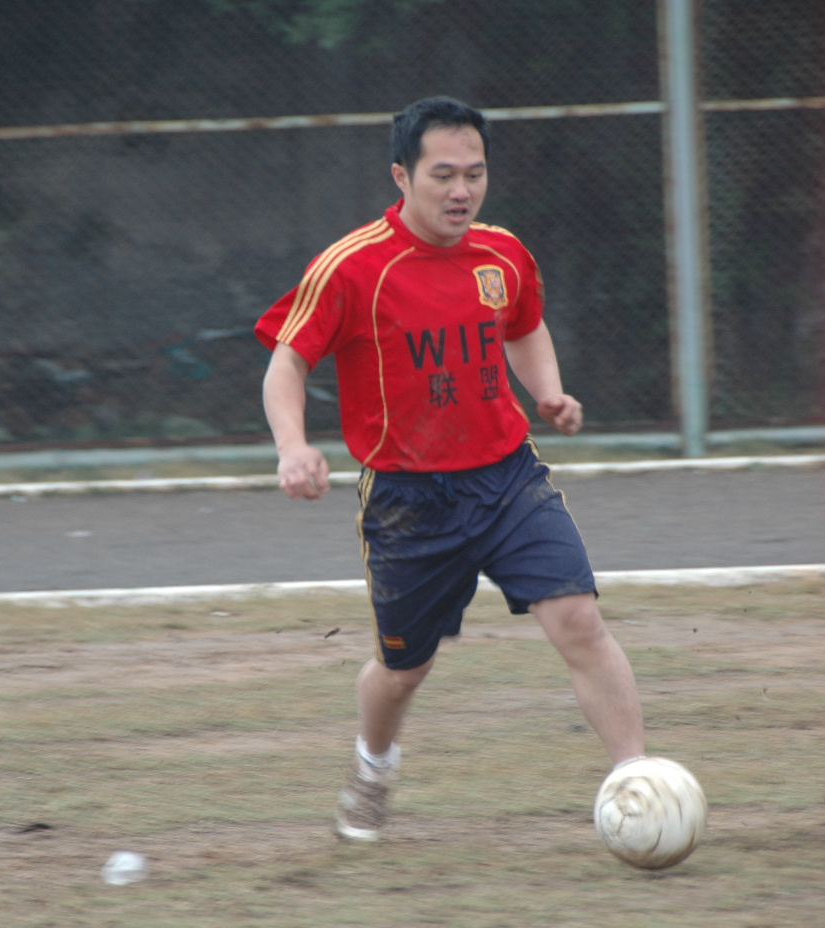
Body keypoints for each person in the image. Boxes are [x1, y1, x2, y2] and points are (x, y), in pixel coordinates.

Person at [257, 95, 648, 841]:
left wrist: (549, 392)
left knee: (579, 619)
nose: (462, 190)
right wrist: (292, 446)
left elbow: (524, 326)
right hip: (409, 501)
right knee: (405, 669)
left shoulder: (503, 254)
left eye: (475, 173)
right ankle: (373, 768)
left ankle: (639, 784)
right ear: (401, 176)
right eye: (443, 175)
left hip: (507, 478)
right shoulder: (352, 268)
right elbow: (288, 362)